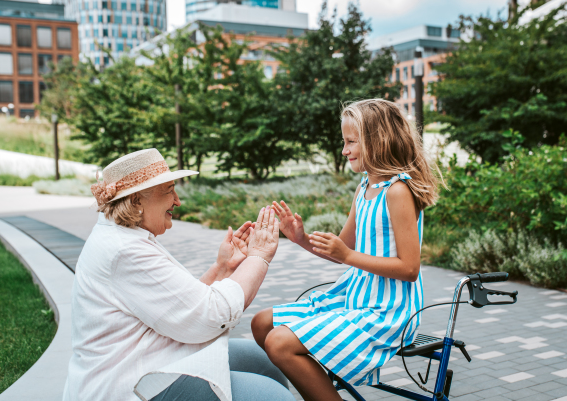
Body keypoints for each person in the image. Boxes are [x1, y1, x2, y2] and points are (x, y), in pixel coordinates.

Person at [63, 148, 294, 401]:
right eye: (168, 190)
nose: (177, 200)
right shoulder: (124, 251)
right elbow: (211, 316)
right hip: (131, 383)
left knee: (263, 361)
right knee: (272, 396)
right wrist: (259, 256)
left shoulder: (124, 237)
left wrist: (223, 268)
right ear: (137, 201)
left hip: (149, 361)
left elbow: (176, 306)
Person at [251, 99, 442, 401]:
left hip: (387, 311)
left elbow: (410, 269)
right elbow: (343, 248)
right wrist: (299, 238)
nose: (345, 150)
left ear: (377, 141)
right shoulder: (365, 187)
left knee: (280, 343)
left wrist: (348, 256)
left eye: (351, 141)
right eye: (345, 141)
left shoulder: (397, 191)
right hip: (355, 297)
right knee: (261, 322)